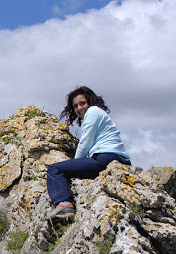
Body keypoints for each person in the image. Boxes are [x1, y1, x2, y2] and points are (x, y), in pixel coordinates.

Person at [47, 86, 131, 220]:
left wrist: (74, 165)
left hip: (106, 157)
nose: (79, 108)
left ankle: (64, 205)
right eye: (75, 106)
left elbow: (85, 142)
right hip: (121, 159)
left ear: (90, 102)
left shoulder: (93, 111)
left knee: (55, 169)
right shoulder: (98, 114)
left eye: (82, 103)